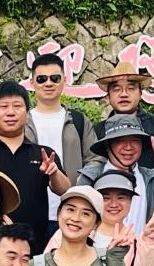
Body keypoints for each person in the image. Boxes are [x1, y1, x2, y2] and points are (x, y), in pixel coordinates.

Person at [0, 81, 69, 246]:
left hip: (34, 242)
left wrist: (54, 173)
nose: (10, 112)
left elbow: (64, 189)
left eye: (17, 106)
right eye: (3, 106)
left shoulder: (43, 153)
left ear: (27, 113)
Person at [27, 52, 101, 233]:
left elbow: (96, 159)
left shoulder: (78, 120)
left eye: (55, 78)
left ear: (64, 81)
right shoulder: (21, 121)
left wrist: (79, 185)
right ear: (32, 82)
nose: (48, 83)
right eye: (42, 79)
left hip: (72, 213)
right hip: (30, 210)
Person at [76, 114, 154, 233]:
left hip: (141, 244)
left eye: (135, 140)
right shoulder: (90, 177)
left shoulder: (152, 179)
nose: (128, 147)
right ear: (107, 146)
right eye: (120, 141)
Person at [95, 60, 154, 172]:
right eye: (116, 89)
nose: (124, 94)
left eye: (131, 88)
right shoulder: (98, 130)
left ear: (140, 93)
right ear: (108, 97)